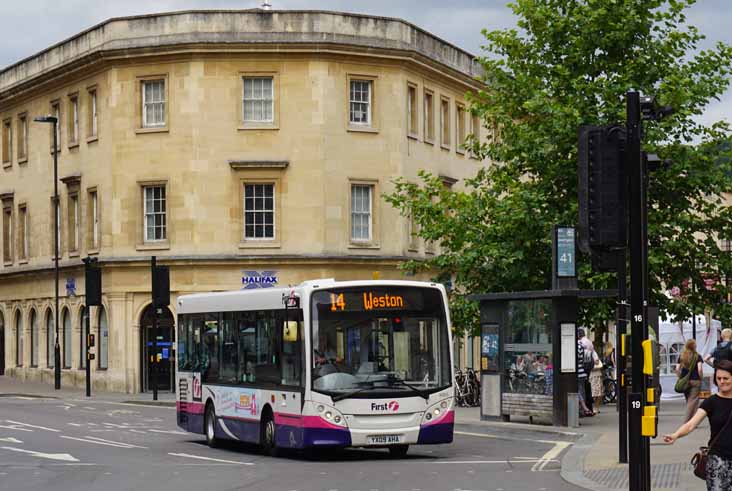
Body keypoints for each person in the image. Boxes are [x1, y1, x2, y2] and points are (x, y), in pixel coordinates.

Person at [664, 359, 732, 490]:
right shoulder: (711, 402)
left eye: (726, 378)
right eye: (719, 378)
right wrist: (676, 434)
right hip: (717, 460)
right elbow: (691, 424)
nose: (722, 382)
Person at [677, 338, 704, 423]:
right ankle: (687, 422)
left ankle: (694, 422)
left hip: (685, 381)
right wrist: (701, 377)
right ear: (694, 346)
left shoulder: (682, 355)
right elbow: (699, 369)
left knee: (691, 401)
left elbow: (677, 369)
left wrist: (680, 378)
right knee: (692, 401)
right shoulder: (697, 356)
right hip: (695, 380)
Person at [577, 331, 592, 417]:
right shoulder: (582, 346)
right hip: (582, 372)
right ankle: (583, 410)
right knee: (582, 391)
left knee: (577, 391)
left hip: (577, 372)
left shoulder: (575, 346)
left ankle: (582, 409)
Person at [590, 350, 604, 414]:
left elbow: (597, 362)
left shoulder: (593, 353)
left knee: (597, 392)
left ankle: (596, 407)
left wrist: (590, 363)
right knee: (594, 392)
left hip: (596, 374)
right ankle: (595, 408)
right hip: (592, 375)